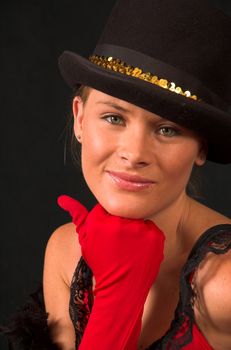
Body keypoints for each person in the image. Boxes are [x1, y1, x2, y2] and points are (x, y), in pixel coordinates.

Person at [1, 0, 231, 349]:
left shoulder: (225, 285)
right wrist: (120, 291)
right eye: (114, 118)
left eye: (167, 129)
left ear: (201, 147)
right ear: (80, 118)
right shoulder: (65, 251)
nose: (134, 153)